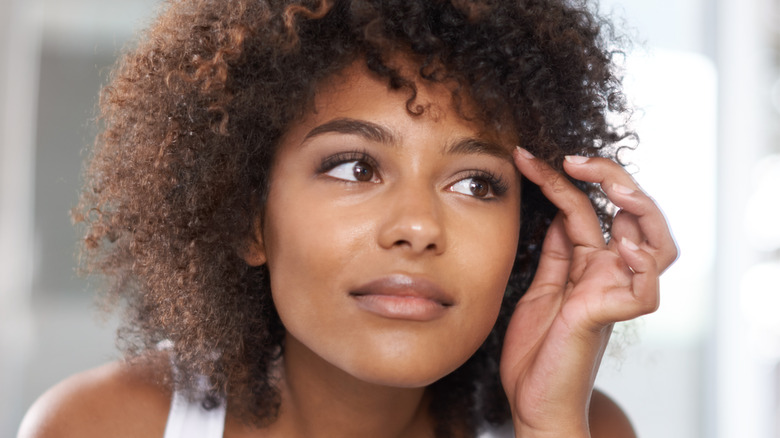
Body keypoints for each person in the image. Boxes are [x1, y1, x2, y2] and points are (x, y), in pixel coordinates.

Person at [18, 0, 677, 437]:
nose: (418, 227)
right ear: (250, 217)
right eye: (355, 168)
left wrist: (551, 424)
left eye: (476, 182)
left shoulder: (581, 426)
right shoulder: (104, 425)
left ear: (529, 237)